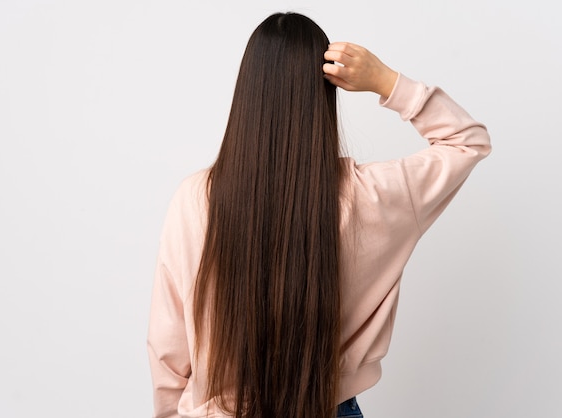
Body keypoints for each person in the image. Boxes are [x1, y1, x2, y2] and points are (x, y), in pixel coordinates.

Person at [147, 12, 491, 418]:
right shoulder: (371, 196)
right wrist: (385, 81)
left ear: (248, 91)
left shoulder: (194, 199)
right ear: (325, 92)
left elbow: (167, 346)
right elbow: (467, 141)